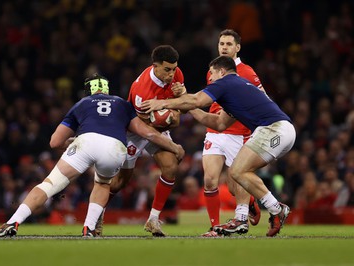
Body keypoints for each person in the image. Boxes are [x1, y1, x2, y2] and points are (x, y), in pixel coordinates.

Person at [0, 74, 184, 238]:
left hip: (86, 142)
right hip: (115, 148)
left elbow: (54, 142)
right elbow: (147, 133)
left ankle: (13, 222)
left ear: (87, 91)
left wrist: (71, 142)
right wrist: (174, 147)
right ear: (107, 89)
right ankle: (89, 228)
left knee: (49, 185)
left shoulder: (82, 104)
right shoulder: (122, 104)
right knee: (102, 184)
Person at [141, 56, 296, 237]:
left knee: (237, 171)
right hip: (281, 130)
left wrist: (162, 103)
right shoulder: (236, 90)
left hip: (274, 129)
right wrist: (188, 105)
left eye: (212, 74)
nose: (210, 78)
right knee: (240, 172)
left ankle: (275, 209)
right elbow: (218, 123)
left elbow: (198, 99)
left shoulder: (226, 82)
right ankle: (249, 216)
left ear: (221, 71)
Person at [94, 45, 186, 237]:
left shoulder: (177, 75)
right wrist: (173, 144)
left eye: (174, 68)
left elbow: (178, 113)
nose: (172, 74)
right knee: (120, 182)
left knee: (170, 167)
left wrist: (181, 97)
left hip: (157, 127)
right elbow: (145, 129)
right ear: (155, 66)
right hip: (135, 130)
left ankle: (153, 219)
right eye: (167, 70)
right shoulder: (141, 90)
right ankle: (96, 214)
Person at [200, 29, 262, 237]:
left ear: (237, 47)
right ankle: (215, 227)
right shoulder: (212, 71)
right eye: (221, 44)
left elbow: (262, 98)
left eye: (228, 44)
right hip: (215, 132)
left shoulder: (247, 71)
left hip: (239, 133)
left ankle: (248, 205)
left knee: (236, 185)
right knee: (210, 180)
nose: (224, 47)